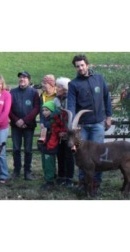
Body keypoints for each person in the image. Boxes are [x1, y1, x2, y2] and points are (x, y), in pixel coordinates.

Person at [67, 54, 112, 193]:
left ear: (87, 64)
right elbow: (72, 105)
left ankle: (95, 184)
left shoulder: (98, 78)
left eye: (82, 65)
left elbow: (106, 97)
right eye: (77, 66)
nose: (80, 68)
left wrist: (109, 116)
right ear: (75, 67)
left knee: (98, 155)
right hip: (82, 127)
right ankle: (83, 183)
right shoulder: (74, 84)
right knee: (82, 155)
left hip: (98, 124)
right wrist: (73, 125)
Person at [9, 71, 40, 180]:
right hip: (15, 125)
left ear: (29, 80)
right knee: (16, 149)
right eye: (20, 77)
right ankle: (16, 171)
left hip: (29, 126)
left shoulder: (34, 92)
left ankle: (28, 172)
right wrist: (17, 120)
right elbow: (9, 109)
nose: (22, 79)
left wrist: (25, 121)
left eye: (25, 77)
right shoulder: (12, 92)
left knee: (28, 150)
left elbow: (36, 108)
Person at [38, 100, 67, 190]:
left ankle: (49, 182)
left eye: (46, 110)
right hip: (45, 145)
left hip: (50, 146)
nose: (44, 112)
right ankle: (50, 176)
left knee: (49, 163)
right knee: (46, 163)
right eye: (43, 110)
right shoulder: (48, 120)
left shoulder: (54, 121)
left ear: (52, 111)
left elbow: (56, 131)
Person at [53, 77, 74, 187]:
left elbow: (71, 117)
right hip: (58, 132)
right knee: (60, 154)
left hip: (69, 131)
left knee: (69, 155)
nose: (57, 88)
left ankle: (69, 178)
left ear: (65, 88)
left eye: (59, 86)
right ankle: (61, 176)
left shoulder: (70, 99)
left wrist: (67, 132)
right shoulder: (56, 100)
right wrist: (58, 131)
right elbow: (54, 116)